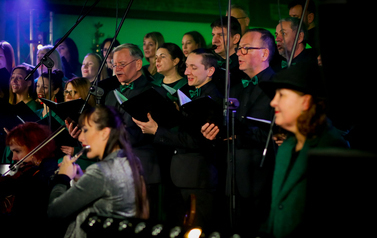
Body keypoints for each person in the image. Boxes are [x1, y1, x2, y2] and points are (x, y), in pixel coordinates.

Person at [132, 48, 222, 231]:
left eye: (193, 68)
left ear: (210, 71)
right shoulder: (188, 92)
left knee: (197, 230)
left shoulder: (214, 99)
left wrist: (158, 131)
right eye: (187, 66)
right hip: (178, 175)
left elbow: (198, 140)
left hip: (198, 179)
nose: (187, 72)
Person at [258, 62, 349, 237]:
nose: (273, 102)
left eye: (281, 95)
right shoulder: (287, 147)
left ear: (306, 102)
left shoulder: (331, 149)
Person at [201, 28, 277, 236]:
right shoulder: (234, 88)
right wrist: (215, 132)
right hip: (231, 178)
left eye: (245, 48)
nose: (238, 53)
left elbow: (273, 133)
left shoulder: (277, 87)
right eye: (239, 49)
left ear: (264, 53)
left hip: (261, 179)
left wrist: (236, 133)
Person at [48, 105, 149, 238]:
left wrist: (63, 178)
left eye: (85, 130)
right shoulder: (130, 162)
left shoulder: (101, 172)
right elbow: (108, 198)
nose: (80, 138)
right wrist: (81, 177)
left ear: (104, 133)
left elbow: (55, 211)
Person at [104, 44, 161, 219]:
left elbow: (148, 134)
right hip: (114, 170)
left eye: (122, 64)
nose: (117, 69)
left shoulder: (152, 92)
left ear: (138, 64)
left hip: (142, 169)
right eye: (114, 65)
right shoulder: (111, 94)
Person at [0, 122, 58, 237]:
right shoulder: (27, 174)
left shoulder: (42, 176)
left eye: (17, 151)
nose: (13, 158)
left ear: (35, 148)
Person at [61, 77, 96, 170]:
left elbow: (99, 151)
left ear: (84, 94)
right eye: (67, 92)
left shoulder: (94, 117)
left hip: (88, 167)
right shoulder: (67, 117)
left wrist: (76, 151)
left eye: (74, 92)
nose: (68, 96)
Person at [210, 16, 248, 93]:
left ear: (235, 38)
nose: (214, 40)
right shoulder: (212, 64)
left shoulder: (244, 66)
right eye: (213, 35)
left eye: (221, 35)